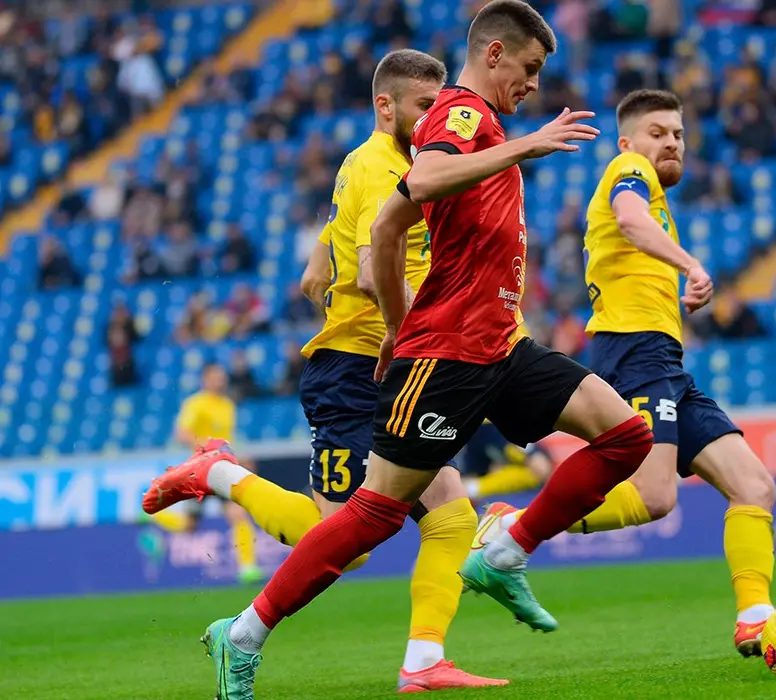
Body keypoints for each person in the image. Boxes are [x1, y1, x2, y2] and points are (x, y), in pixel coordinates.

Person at [198, 3, 667, 696]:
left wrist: (393, 322)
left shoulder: (479, 124)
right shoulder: (465, 114)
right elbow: (419, 184)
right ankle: (242, 634)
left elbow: (387, 227)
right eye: (530, 67)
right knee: (372, 517)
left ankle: (504, 551)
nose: (535, 83)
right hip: (449, 355)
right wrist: (525, 146)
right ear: (495, 53)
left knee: (626, 436)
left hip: (501, 344)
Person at [141, 49, 506, 693]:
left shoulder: (403, 162)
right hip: (359, 367)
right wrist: (420, 328)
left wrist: (320, 251)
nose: (436, 116)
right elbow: (371, 269)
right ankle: (217, 473)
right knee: (343, 539)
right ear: (385, 106)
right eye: (424, 105)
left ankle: (424, 661)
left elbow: (344, 229)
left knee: (450, 514)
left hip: (401, 365)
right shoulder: (379, 165)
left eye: (441, 103)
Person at [473, 90, 776, 656]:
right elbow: (631, 220)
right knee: (654, 495)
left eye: (678, 134)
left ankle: (756, 619)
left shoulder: (657, 197)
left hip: (664, 362)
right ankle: (514, 526)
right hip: (633, 352)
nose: (671, 143)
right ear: (627, 142)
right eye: (657, 132)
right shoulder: (629, 171)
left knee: (754, 486)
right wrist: (690, 265)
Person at [146, 363, 263, 584]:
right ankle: (154, 516)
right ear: (205, 379)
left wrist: (239, 456)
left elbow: (227, 439)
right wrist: (207, 448)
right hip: (199, 470)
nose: (220, 381)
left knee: (238, 514)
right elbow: (181, 433)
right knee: (189, 525)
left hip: (223, 468)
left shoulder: (228, 405)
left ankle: (247, 567)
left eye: (222, 377)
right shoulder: (195, 403)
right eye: (215, 377)